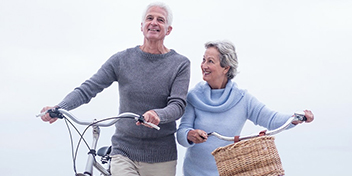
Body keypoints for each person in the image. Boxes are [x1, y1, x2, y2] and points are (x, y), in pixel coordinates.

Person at [39, 2, 190, 176]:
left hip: (161, 156)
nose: (154, 22)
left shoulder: (180, 64)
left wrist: (158, 115)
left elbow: (178, 105)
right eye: (149, 18)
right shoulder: (122, 60)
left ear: (168, 29)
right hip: (123, 150)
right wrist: (59, 107)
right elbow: (88, 88)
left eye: (160, 20)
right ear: (141, 26)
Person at [176, 40, 314, 176]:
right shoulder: (193, 96)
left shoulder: (242, 99)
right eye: (203, 60)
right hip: (193, 172)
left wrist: (295, 118)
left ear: (226, 68)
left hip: (228, 173)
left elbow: (271, 119)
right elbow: (182, 132)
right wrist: (190, 135)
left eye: (210, 61)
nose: (203, 65)